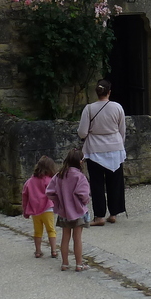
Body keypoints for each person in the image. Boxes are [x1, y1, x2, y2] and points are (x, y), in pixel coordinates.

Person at [79, 79, 126, 227]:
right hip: (115, 148)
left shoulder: (89, 109)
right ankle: (113, 213)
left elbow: (82, 132)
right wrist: (119, 144)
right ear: (109, 92)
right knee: (115, 182)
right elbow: (122, 130)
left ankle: (99, 216)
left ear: (97, 92)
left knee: (97, 184)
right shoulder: (117, 107)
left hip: (95, 149)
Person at [46, 148, 90, 272]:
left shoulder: (59, 175)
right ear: (80, 162)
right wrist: (84, 202)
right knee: (77, 238)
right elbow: (84, 194)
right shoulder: (80, 177)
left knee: (65, 237)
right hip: (78, 211)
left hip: (64, 211)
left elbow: (49, 192)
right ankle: (79, 264)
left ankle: (65, 263)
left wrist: (58, 201)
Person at [21, 156, 58, 259]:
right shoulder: (49, 180)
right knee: (51, 230)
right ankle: (54, 250)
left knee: (37, 231)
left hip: (35, 211)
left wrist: (25, 210)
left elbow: (24, 195)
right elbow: (55, 193)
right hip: (48, 209)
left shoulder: (30, 181)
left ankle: (38, 251)